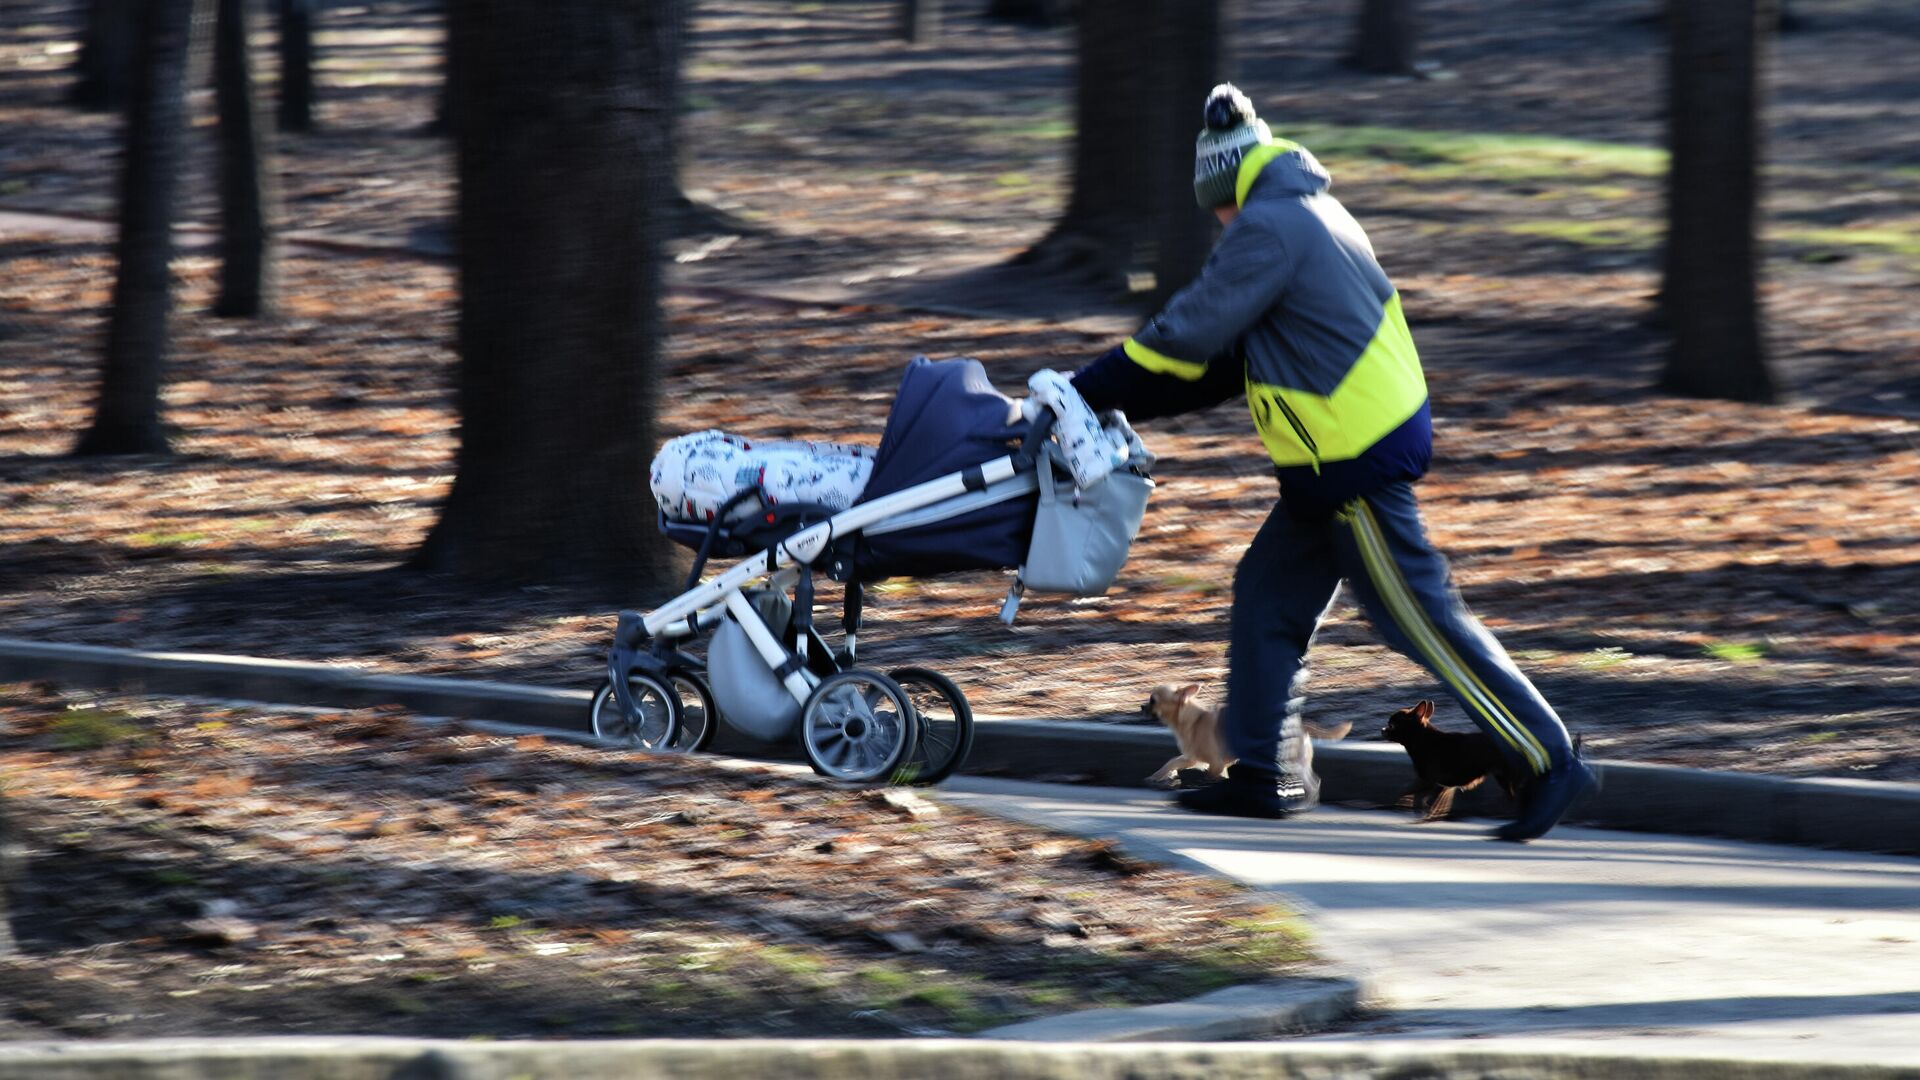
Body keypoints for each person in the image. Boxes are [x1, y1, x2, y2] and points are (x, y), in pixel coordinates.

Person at [1068, 84, 1594, 841]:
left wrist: (1083, 390)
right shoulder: (1301, 213)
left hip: (1356, 460)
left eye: (1216, 206)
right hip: (1327, 465)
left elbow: (1184, 335)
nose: (1216, 222)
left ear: (1228, 187)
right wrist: (1105, 402)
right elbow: (1220, 367)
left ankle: (1551, 759)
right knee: (1267, 597)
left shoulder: (1271, 225)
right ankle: (1264, 773)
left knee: (1418, 619)